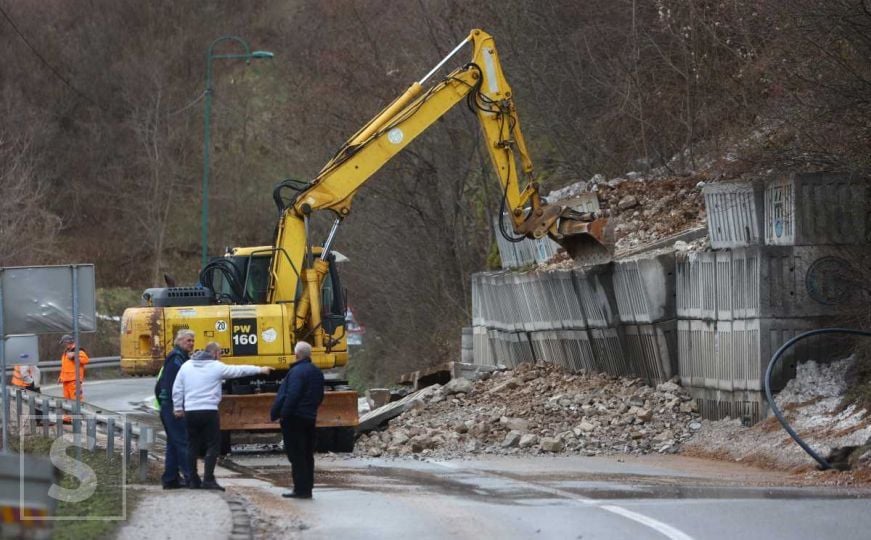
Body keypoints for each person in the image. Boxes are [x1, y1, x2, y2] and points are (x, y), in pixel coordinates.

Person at [172, 342, 272, 491]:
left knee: (192, 445)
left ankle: (193, 480)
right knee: (213, 445)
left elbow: (177, 387)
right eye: (220, 354)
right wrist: (260, 369)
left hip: (191, 411)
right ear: (215, 353)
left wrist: (178, 407)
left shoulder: (186, 366)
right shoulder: (216, 367)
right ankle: (208, 479)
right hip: (209, 411)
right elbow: (239, 370)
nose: (220, 357)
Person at [270, 341, 324, 500]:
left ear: (297, 354)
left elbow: (292, 395)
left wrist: (283, 414)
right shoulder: (316, 372)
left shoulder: (296, 372)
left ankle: (300, 489)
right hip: (309, 416)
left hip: (294, 418)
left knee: (296, 454)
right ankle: (307, 488)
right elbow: (320, 395)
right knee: (307, 454)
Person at [155, 329, 195, 489]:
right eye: (188, 340)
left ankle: (170, 479)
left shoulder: (181, 358)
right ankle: (191, 477)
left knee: (173, 443)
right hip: (172, 406)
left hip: (170, 406)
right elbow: (172, 386)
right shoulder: (176, 359)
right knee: (183, 442)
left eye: (192, 341)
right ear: (179, 341)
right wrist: (177, 407)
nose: (191, 343)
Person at [58, 335, 89, 422]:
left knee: (76, 400)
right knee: (67, 401)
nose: (64, 345)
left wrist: (74, 356)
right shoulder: (66, 351)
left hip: (74, 380)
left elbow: (85, 360)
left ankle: (77, 420)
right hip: (66, 380)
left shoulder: (78, 350)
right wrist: (61, 376)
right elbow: (65, 366)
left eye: (65, 343)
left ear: (69, 342)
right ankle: (67, 419)